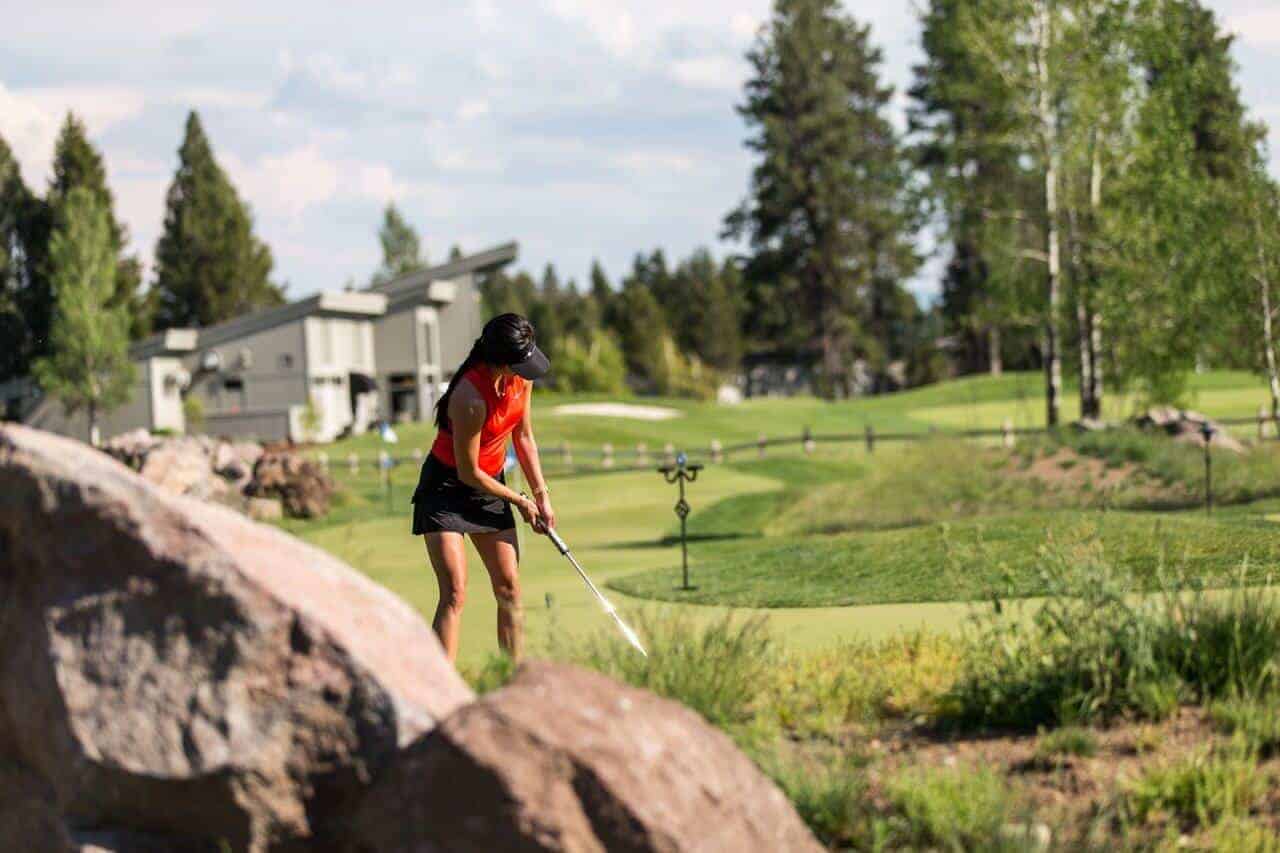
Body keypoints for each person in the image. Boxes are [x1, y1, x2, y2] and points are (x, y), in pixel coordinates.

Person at [411, 313, 554, 662]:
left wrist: (541, 496)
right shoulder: (469, 398)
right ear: (500, 360)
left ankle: (511, 679)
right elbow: (468, 472)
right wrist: (519, 501)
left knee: (509, 589)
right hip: (447, 489)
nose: (528, 368)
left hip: (490, 487)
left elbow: (523, 437)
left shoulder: (521, 379)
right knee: (455, 593)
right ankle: (441, 689)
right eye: (521, 362)